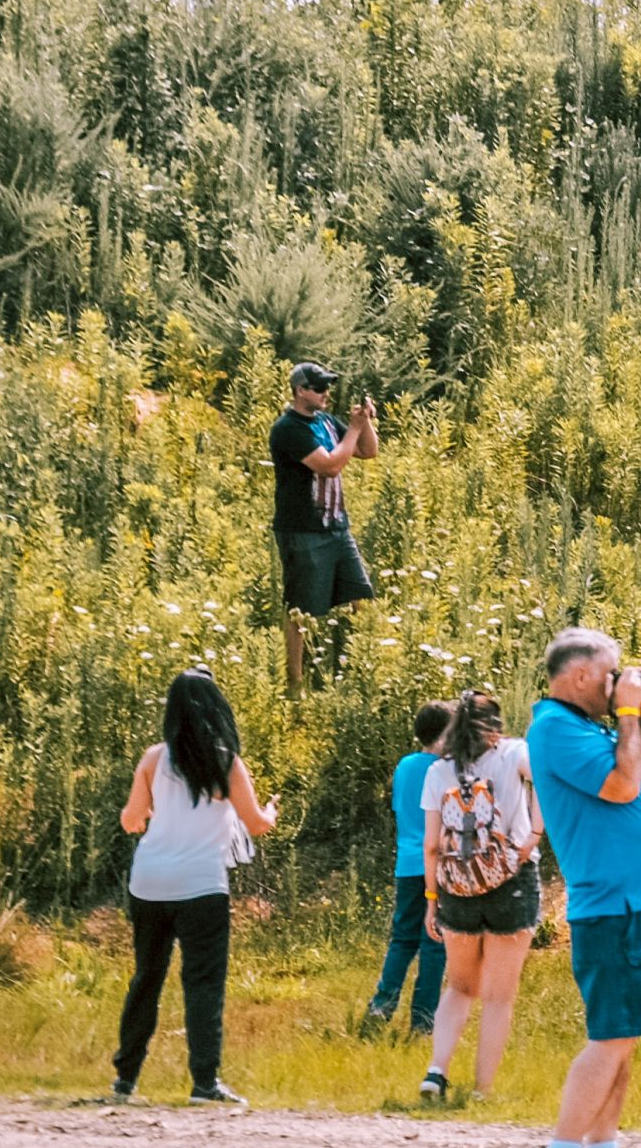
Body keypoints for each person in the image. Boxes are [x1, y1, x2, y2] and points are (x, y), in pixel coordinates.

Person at [523, 627, 641, 1148]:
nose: (620, 682)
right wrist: (624, 715)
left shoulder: (589, 730)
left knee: (627, 1033)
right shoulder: (554, 730)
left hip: (637, 900)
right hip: (613, 905)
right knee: (611, 1035)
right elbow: (620, 788)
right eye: (612, 672)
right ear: (582, 676)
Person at [112, 669, 278, 1103]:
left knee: (147, 977)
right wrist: (273, 812)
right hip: (201, 885)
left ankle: (125, 1079)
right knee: (203, 984)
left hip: (149, 882)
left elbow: (131, 820)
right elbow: (256, 824)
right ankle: (205, 1082)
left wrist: (150, 814)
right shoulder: (225, 761)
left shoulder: (153, 759)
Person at [416, 689, 543, 1103]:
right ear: (495, 725)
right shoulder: (512, 753)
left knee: (458, 987)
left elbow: (432, 845)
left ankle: (436, 1072)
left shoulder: (439, 771)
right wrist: (536, 833)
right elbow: (544, 772)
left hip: (458, 888)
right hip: (512, 878)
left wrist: (432, 900)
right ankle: (482, 1091)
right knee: (498, 996)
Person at [270, 360, 379, 694]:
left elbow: (367, 451)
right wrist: (355, 428)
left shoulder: (326, 421)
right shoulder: (288, 429)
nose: (326, 393)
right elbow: (330, 466)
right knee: (301, 610)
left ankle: (361, 667)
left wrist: (366, 424)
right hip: (303, 530)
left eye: (327, 386)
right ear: (300, 391)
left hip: (336, 527)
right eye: (319, 388)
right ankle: (295, 683)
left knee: (362, 595)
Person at [364, 700, 452, 1036]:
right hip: (437, 863)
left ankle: (381, 1006)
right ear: (443, 736)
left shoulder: (404, 766)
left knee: (402, 938)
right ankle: (423, 1020)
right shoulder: (444, 771)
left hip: (406, 863)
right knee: (434, 942)